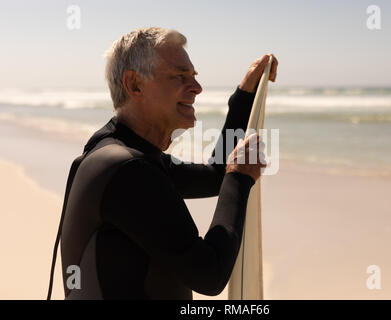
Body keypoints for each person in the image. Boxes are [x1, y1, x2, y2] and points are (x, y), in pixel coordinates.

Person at [52, 27, 278, 300]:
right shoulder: (127, 171)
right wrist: (240, 177)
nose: (197, 88)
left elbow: (217, 175)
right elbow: (210, 274)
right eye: (180, 76)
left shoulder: (121, 152)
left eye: (194, 76)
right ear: (134, 85)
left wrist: (243, 99)